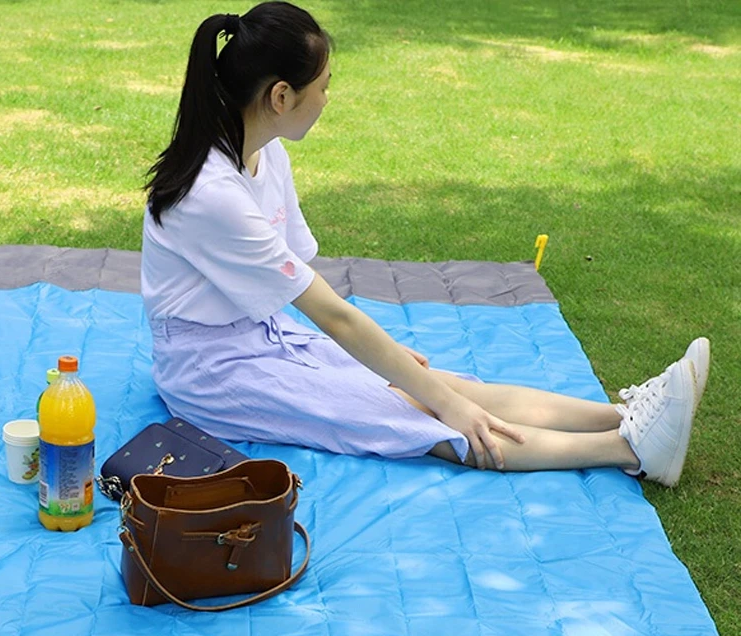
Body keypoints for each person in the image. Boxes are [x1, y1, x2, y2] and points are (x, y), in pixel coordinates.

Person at [140, 2, 709, 486]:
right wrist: (440, 401)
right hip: (213, 370)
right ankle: (632, 449)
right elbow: (333, 315)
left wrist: (400, 367)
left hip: (263, 333)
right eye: (324, 86)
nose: (328, 98)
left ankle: (623, 414)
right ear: (282, 96)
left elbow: (306, 288)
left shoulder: (266, 153)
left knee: (440, 388)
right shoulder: (211, 195)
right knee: (418, 416)